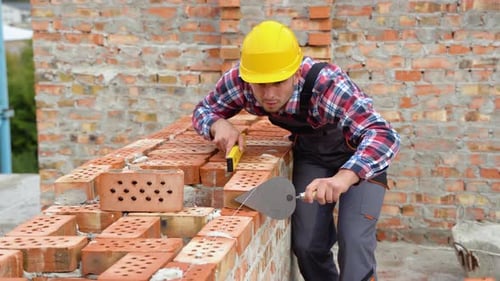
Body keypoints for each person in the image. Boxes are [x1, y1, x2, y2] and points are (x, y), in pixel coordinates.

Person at [192, 20, 400, 281]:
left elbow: (383, 135)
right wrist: (216, 124)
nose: (268, 94)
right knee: (306, 244)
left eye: (278, 82)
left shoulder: (327, 85)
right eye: (260, 84)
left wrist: (344, 177)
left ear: (295, 73)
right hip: (313, 155)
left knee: (354, 239)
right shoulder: (242, 81)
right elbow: (203, 110)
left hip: (360, 158)